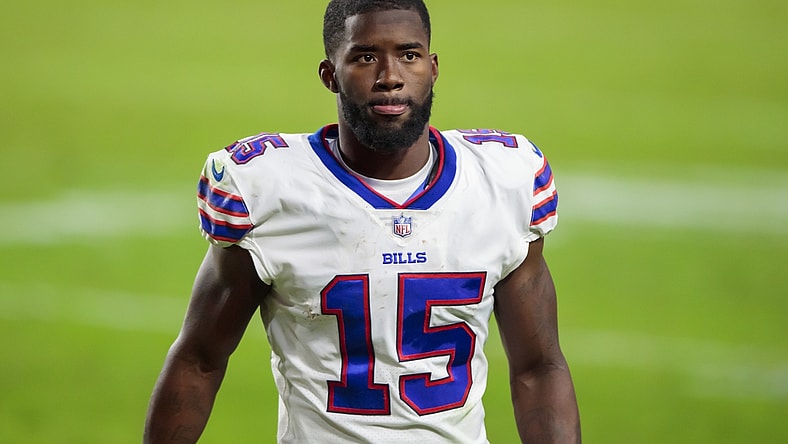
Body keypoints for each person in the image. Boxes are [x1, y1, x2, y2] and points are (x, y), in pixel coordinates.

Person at [144, 0, 581, 442]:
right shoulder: (269, 190)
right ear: (329, 74)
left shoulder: (503, 182)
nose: (390, 77)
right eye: (365, 56)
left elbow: (538, 368)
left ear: (432, 68)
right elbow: (199, 360)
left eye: (408, 55)